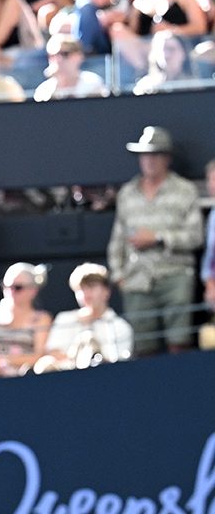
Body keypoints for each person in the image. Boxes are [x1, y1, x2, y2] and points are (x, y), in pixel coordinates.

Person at [107, 126, 204, 356]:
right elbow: (117, 239)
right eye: (145, 155)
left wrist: (158, 238)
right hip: (137, 280)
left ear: (167, 158)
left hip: (175, 276)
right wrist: (118, 275)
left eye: (156, 154)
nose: (149, 161)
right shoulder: (127, 193)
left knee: (179, 343)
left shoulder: (185, 190)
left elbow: (195, 236)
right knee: (142, 348)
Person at [37, 263, 133, 372]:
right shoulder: (64, 319)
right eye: (81, 289)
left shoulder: (120, 326)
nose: (85, 294)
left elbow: (117, 363)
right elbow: (51, 353)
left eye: (91, 287)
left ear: (106, 291)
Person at [33, 34, 107, 101]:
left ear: (78, 56)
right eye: (52, 56)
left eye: (65, 54)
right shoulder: (44, 90)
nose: (58, 59)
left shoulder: (92, 84)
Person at [201, 160, 215, 314]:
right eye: (209, 179)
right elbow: (209, 257)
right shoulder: (213, 215)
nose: (211, 184)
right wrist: (210, 286)